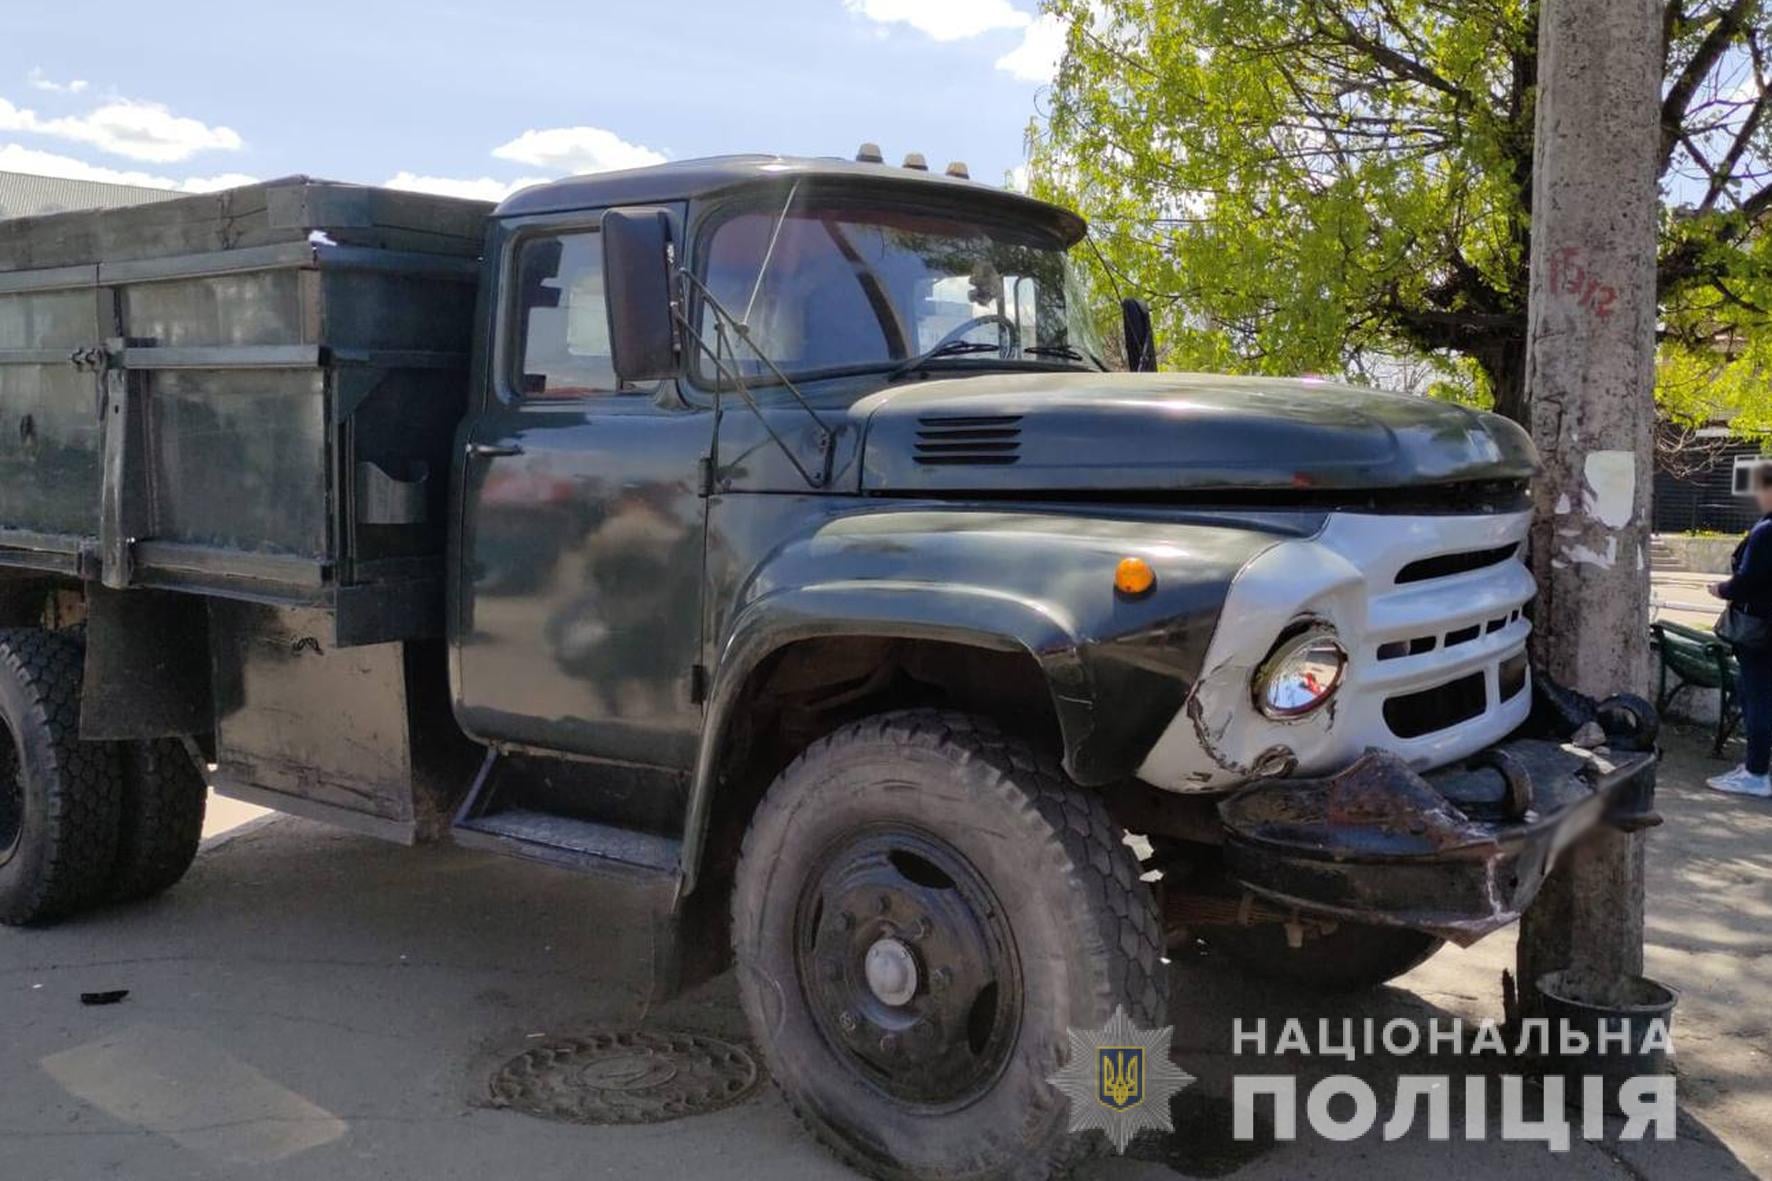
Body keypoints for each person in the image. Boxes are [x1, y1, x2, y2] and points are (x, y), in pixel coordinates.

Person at [1708, 462, 1772, 798]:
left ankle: (1757, 771)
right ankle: (1756, 766)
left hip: (1759, 629)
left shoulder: (1766, 531)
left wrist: (1721, 589)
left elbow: (1747, 580)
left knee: (1756, 696)